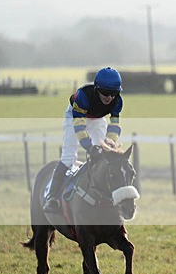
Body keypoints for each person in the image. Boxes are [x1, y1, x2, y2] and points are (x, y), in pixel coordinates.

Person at [43, 67, 124, 213]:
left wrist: (110, 144)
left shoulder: (117, 101)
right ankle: (51, 197)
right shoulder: (84, 95)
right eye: (105, 93)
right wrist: (89, 147)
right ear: (97, 89)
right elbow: (79, 126)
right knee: (68, 157)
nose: (109, 97)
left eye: (113, 93)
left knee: (103, 155)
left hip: (97, 119)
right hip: (75, 117)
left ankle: (104, 194)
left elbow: (114, 125)